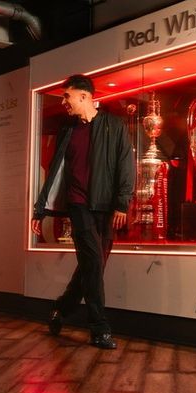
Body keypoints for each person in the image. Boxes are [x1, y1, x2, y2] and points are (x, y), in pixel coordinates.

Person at [31, 74, 135, 349]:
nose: (64, 101)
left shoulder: (114, 126)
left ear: (84, 96)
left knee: (93, 266)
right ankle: (99, 329)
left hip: (106, 207)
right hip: (78, 207)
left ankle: (60, 308)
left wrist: (122, 202)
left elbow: (126, 165)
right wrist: (40, 209)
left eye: (67, 96)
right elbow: (55, 172)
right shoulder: (68, 130)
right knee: (92, 263)